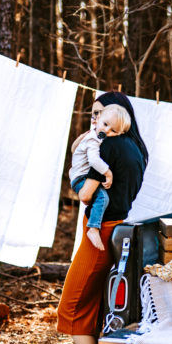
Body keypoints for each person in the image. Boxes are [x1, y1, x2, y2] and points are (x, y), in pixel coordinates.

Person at [40, 91, 149, 344]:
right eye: (93, 114)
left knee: (71, 307)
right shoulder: (137, 150)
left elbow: (86, 194)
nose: (95, 120)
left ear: (118, 118)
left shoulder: (108, 146)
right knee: (89, 307)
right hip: (119, 230)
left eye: (100, 114)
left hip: (100, 232)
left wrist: (84, 182)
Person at [68, 103, 132, 251]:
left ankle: (93, 226)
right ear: (97, 119)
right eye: (105, 124)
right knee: (103, 197)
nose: (106, 130)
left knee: (102, 197)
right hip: (80, 178)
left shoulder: (99, 138)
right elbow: (94, 160)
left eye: (113, 130)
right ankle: (93, 228)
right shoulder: (93, 139)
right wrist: (108, 172)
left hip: (81, 175)